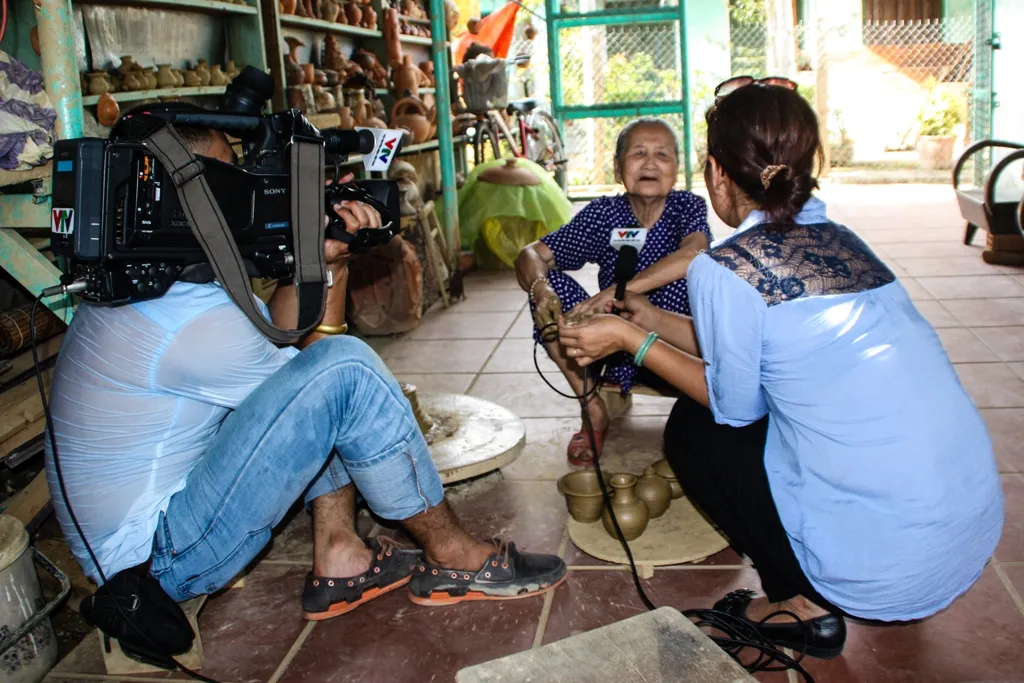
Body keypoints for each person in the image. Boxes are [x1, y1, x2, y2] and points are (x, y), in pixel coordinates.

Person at [44, 103, 566, 624]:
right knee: (347, 372)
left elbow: (293, 364)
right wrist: (321, 271)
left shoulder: (151, 284)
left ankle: (341, 556)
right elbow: (318, 377)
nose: (246, 189)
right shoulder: (183, 322)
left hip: (145, 536)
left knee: (327, 378)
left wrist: (326, 261)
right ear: (187, 195)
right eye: (231, 177)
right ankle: (454, 557)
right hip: (157, 564)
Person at [556, 78, 1003, 658]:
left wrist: (627, 337)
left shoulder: (724, 267)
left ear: (717, 174)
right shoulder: (840, 238)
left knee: (696, 432)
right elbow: (748, 341)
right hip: (964, 535)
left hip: (885, 569)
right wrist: (645, 315)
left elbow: (730, 405)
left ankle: (798, 603)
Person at [515, 118, 711, 467]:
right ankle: (592, 408)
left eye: (662, 154)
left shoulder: (687, 207)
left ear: (676, 169)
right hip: (609, 351)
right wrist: (540, 287)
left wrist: (612, 294)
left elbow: (693, 254)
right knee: (551, 293)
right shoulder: (605, 215)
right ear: (619, 167)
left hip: (676, 349)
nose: (650, 163)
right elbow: (531, 255)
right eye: (638, 153)